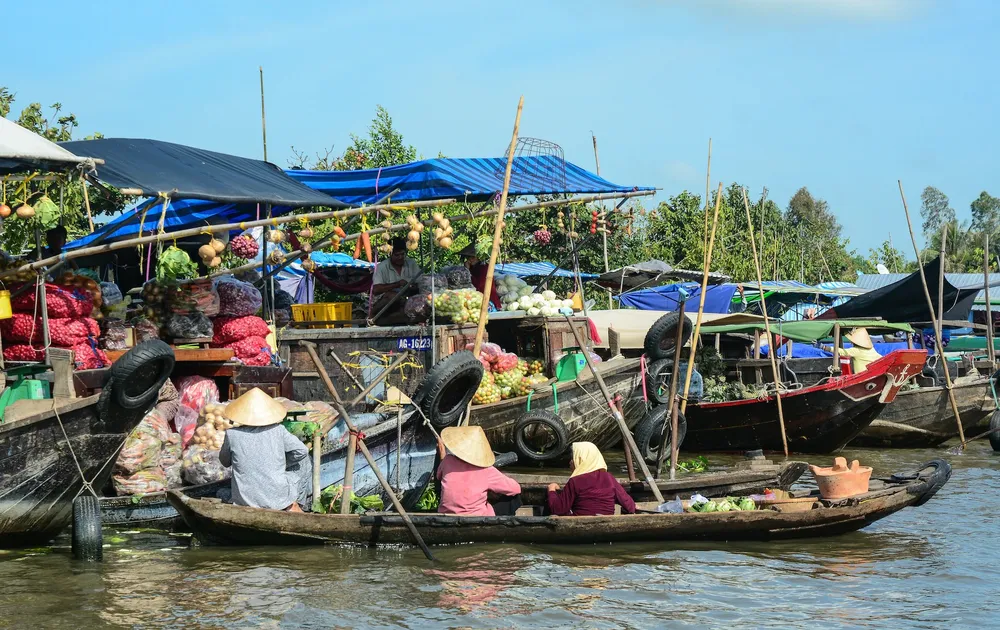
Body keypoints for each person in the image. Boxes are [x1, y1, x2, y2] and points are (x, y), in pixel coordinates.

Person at [219, 387, 311, 512]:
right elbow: (302, 451)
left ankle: (293, 504)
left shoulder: (232, 434)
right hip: (278, 500)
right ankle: (296, 504)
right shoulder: (278, 430)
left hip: (244, 501)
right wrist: (282, 464)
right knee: (305, 462)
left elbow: (224, 462)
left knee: (220, 492)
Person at [436, 425, 521, 516]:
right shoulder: (487, 470)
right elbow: (516, 489)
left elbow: (439, 476)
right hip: (478, 516)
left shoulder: (448, 460)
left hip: (445, 513)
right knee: (515, 499)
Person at [547, 442, 636, 516]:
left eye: (573, 458)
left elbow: (557, 509)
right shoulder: (609, 478)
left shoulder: (575, 481)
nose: (570, 462)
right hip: (606, 524)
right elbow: (630, 506)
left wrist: (551, 490)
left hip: (579, 526)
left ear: (581, 459)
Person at [457, 243, 502, 309]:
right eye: (468, 258)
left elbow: (478, 285)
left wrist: (468, 270)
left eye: (472, 257)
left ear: (479, 258)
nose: (470, 260)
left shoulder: (484, 268)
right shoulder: (472, 267)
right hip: (477, 300)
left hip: (489, 301)